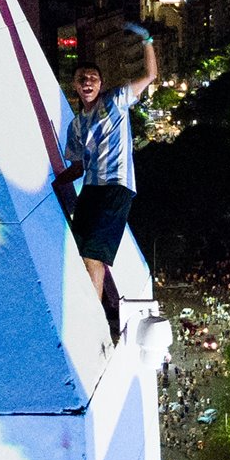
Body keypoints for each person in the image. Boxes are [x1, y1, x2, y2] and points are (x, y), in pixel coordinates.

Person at [64, 21, 159, 306]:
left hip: (116, 186)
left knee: (94, 254)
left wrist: (147, 41)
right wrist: (55, 184)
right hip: (91, 190)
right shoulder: (77, 125)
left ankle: (93, 314)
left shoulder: (116, 100)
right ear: (75, 86)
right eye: (82, 78)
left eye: (93, 78)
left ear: (101, 83)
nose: (87, 82)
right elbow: (78, 164)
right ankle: (89, 305)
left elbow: (151, 75)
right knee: (80, 250)